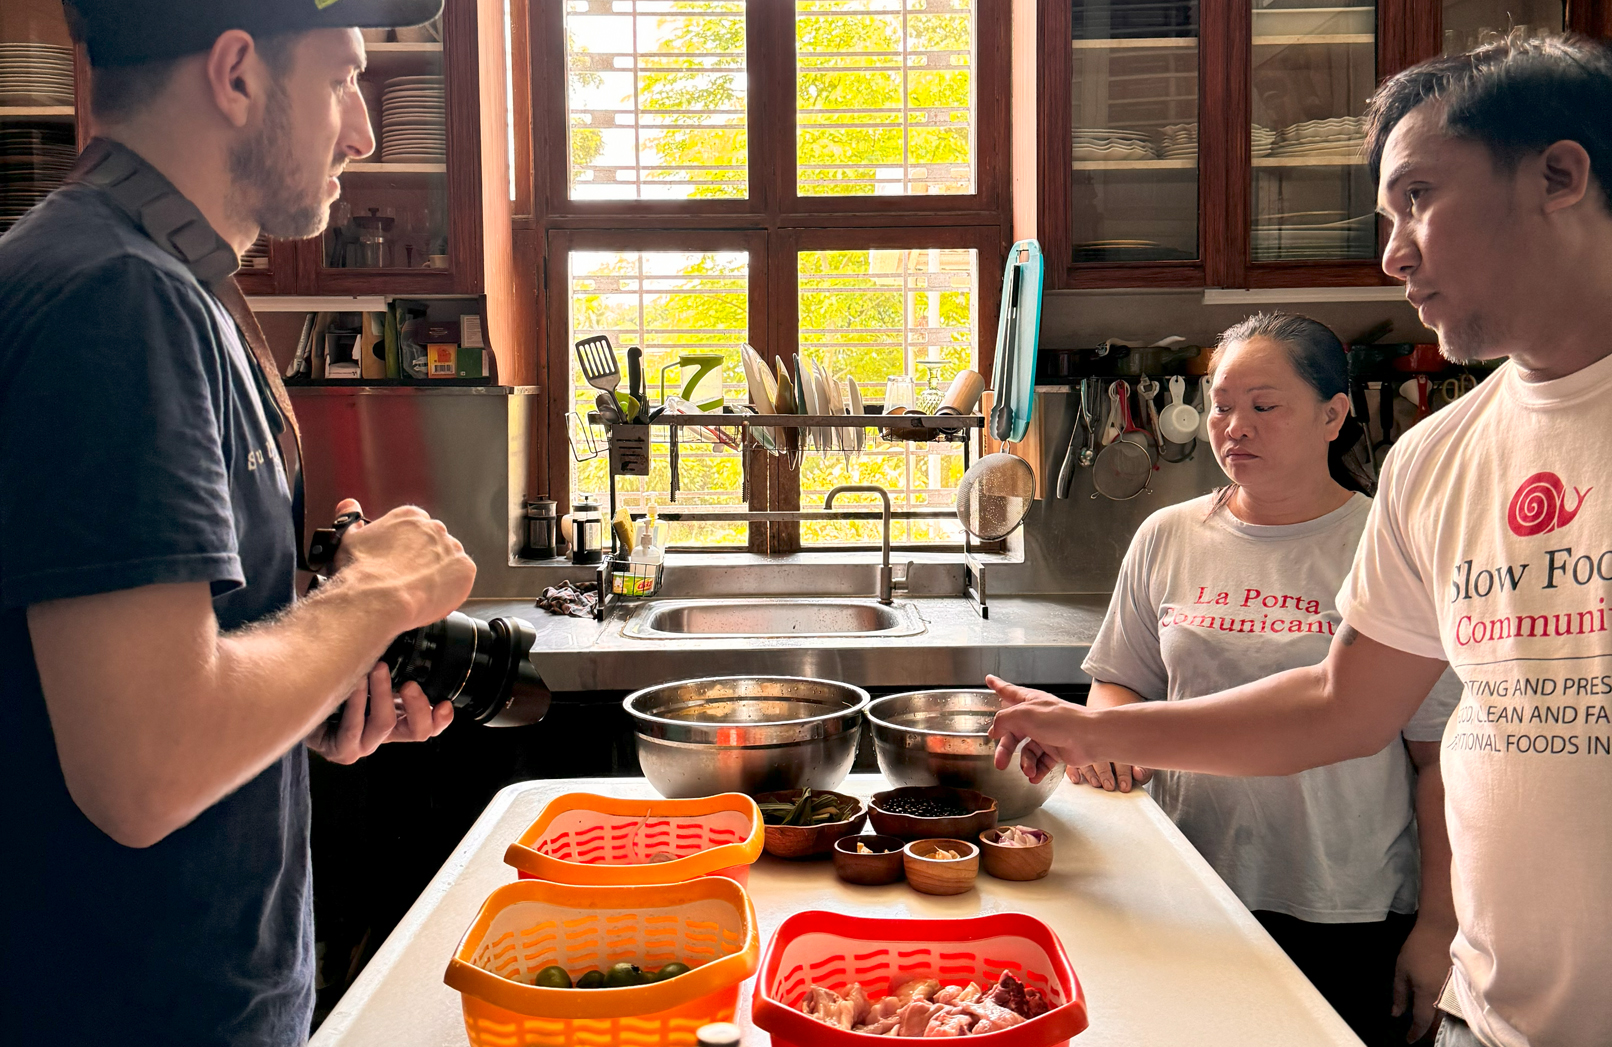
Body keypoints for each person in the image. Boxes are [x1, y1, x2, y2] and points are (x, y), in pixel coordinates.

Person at [989, 34, 1612, 1047]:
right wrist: (1094, 731)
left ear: (1558, 174)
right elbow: (1340, 706)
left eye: (1417, 196)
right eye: (1384, 216)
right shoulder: (1435, 458)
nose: (1392, 251)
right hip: (1491, 1019)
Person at [0, 1, 469, 1042]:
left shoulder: (156, 281)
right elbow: (146, 767)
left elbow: (158, 680)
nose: (363, 132)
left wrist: (312, 676)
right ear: (238, 75)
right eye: (344, 78)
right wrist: (375, 594)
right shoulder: (116, 300)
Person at [1073, 312, 1459, 1045]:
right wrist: (1108, 735)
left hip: (1344, 906)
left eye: (1264, 405)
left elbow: (1439, 756)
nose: (1233, 426)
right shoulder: (1169, 534)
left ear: (1333, 414)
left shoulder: (1386, 547)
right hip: (1189, 882)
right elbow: (1119, 682)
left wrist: (1440, 922)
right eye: (1220, 404)